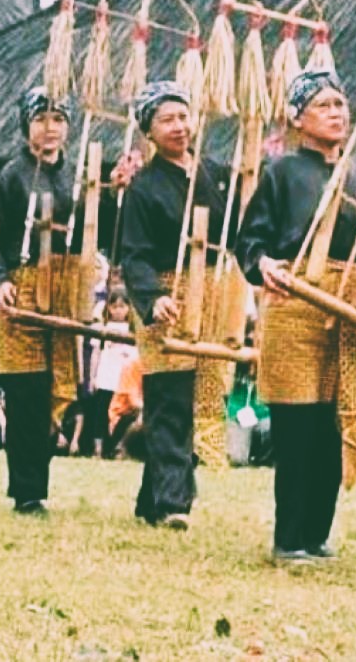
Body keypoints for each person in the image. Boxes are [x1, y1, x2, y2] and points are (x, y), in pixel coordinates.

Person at [235, 68, 356, 561]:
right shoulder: (281, 172)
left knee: (334, 425)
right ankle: (289, 537)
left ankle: (317, 534)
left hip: (349, 303)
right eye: (324, 105)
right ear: (297, 119)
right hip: (295, 305)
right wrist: (263, 264)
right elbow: (250, 241)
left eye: (341, 104)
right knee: (298, 425)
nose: (337, 113)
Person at [120, 81, 232, 530]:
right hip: (164, 298)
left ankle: (152, 500)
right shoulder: (143, 188)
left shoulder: (214, 174)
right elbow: (134, 254)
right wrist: (155, 298)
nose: (179, 126)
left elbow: (236, 233)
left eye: (183, 116)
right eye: (167, 119)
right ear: (149, 131)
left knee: (192, 400)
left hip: (209, 298)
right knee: (168, 398)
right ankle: (173, 504)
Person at [0, 87, 80, 514]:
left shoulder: (76, 177)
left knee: (54, 389)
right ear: (26, 126)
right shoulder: (9, 177)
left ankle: (38, 479)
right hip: (20, 291)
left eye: (59, 119)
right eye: (42, 119)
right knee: (25, 393)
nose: (50, 128)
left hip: (63, 294)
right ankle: (27, 491)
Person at [88, 286, 137, 458]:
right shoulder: (103, 328)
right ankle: (98, 448)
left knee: (121, 414)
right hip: (105, 377)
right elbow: (96, 354)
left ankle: (118, 446)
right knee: (100, 414)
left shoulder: (133, 331)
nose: (118, 310)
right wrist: (92, 377)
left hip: (123, 380)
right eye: (114, 306)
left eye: (122, 306)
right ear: (108, 307)